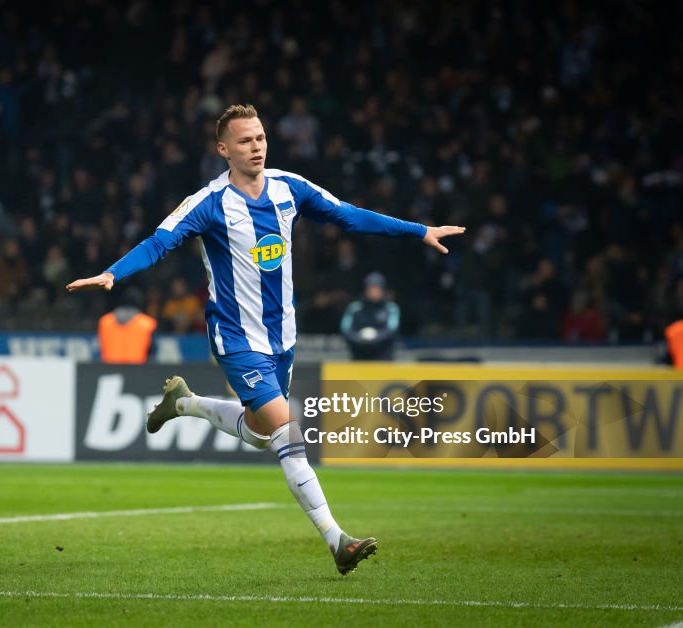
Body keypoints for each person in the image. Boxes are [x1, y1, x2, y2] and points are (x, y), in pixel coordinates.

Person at [67, 104, 464, 575]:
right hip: (236, 337)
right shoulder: (208, 203)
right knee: (286, 427)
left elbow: (349, 216)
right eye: (244, 141)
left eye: (259, 138)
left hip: (282, 338)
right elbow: (160, 241)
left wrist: (419, 231)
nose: (255, 147)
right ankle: (338, 541)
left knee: (259, 434)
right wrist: (114, 273)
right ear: (223, 150)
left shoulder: (289, 188)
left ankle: (184, 404)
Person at [340, 271, 400, 360]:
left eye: (377, 288)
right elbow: (346, 329)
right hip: (359, 357)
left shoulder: (391, 308)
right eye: (371, 288)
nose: (373, 291)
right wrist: (360, 340)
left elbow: (391, 330)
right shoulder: (354, 308)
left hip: (383, 358)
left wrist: (374, 339)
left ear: (382, 289)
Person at [98, 287, 157, 364]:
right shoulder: (147, 323)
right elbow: (152, 352)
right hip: (137, 371)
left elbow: (100, 347)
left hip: (109, 371)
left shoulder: (105, 321)